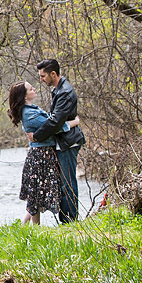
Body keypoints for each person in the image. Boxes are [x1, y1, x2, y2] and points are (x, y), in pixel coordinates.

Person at [7, 81, 79, 225]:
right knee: (37, 192)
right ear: (24, 95)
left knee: (38, 191)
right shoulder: (29, 113)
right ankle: (31, 226)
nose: (34, 89)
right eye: (30, 88)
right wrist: (74, 122)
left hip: (45, 153)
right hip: (41, 156)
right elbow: (52, 127)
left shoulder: (31, 109)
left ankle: (27, 225)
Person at [30, 58, 87, 223]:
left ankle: (70, 221)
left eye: (43, 76)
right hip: (63, 141)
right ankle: (67, 220)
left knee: (68, 183)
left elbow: (55, 122)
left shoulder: (65, 92)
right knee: (64, 182)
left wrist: (37, 136)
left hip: (68, 142)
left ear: (53, 74)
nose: (41, 80)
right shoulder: (58, 89)